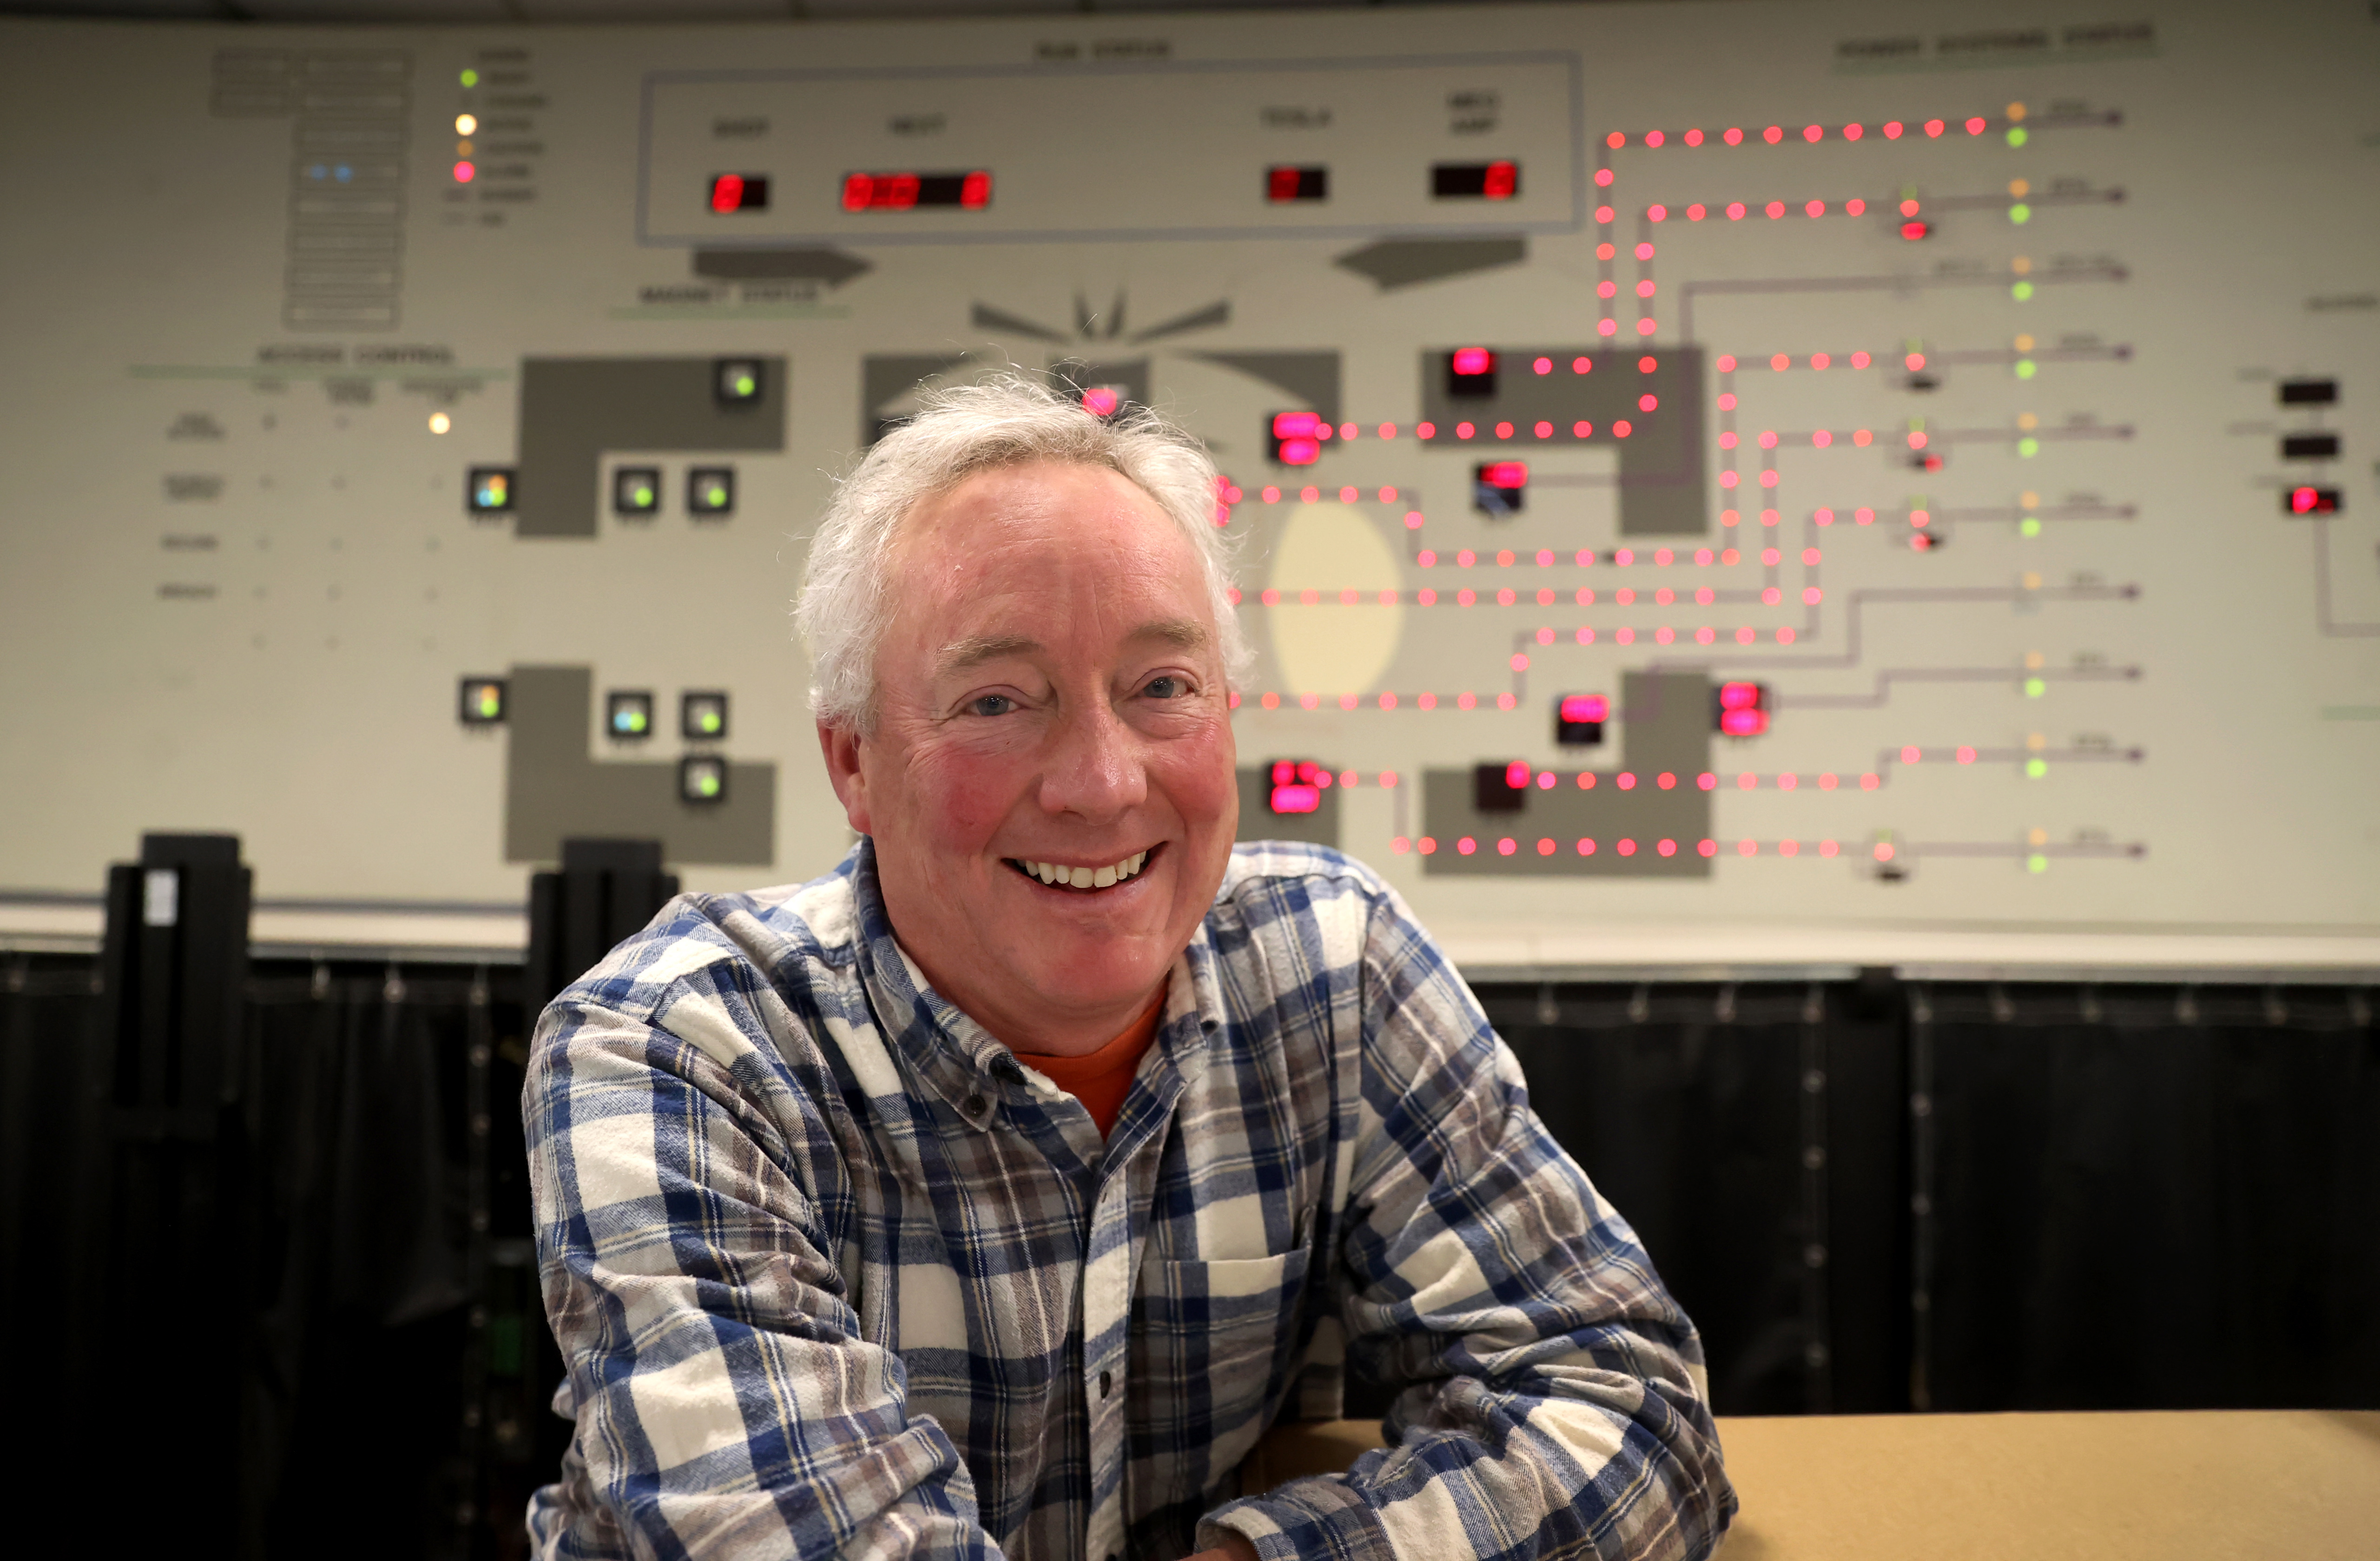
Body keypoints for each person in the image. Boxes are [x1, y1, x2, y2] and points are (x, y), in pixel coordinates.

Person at [523, 376, 1736, 1561]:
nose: (1102, 785)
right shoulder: (676, 1049)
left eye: (1162, 687)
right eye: (998, 701)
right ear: (854, 763)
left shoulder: (1332, 968)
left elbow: (1627, 1408)